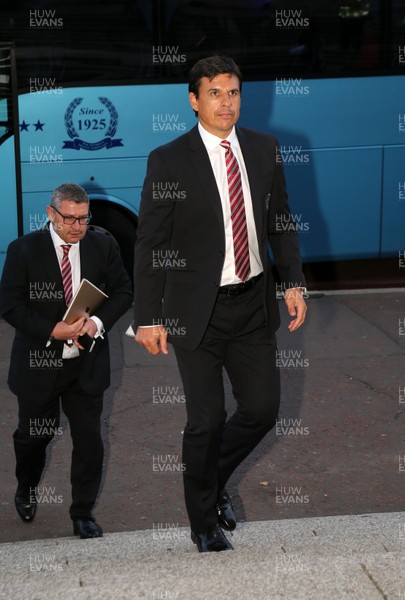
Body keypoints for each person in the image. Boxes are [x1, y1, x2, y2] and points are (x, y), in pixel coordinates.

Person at [133, 56, 307, 552]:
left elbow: (282, 222)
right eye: (215, 93)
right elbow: (149, 243)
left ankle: (211, 482)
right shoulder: (168, 159)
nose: (226, 102)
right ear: (194, 100)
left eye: (233, 92)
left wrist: (293, 282)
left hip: (252, 304)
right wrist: (147, 317)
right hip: (195, 312)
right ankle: (202, 521)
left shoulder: (264, 148)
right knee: (206, 420)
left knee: (262, 409)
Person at [0, 183, 132, 538]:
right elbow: (10, 306)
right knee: (33, 439)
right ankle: (26, 487)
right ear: (50, 214)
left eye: (83, 218)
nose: (77, 226)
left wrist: (97, 322)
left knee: (89, 441)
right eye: (69, 218)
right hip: (38, 365)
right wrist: (52, 330)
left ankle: (82, 513)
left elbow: (123, 290)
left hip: (85, 365)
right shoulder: (23, 250)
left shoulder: (102, 244)